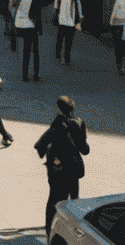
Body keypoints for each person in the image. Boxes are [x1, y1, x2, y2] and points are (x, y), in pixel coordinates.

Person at [35, 94, 89, 230]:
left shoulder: (58, 123)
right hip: (74, 168)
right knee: (74, 199)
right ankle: (75, 227)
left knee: (55, 199)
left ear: (59, 109)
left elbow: (41, 144)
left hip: (58, 169)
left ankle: (50, 228)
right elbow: (85, 149)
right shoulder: (79, 121)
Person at [16, 0, 41, 82]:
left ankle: (24, 75)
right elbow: (37, 16)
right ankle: (35, 74)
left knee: (26, 52)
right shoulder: (35, 1)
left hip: (25, 29)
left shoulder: (24, 0)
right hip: (33, 28)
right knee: (35, 52)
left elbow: (20, 14)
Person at [54, 0, 83, 65]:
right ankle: (63, 56)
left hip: (65, 22)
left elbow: (55, 8)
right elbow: (79, 8)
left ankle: (62, 57)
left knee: (63, 40)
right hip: (67, 22)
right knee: (65, 41)